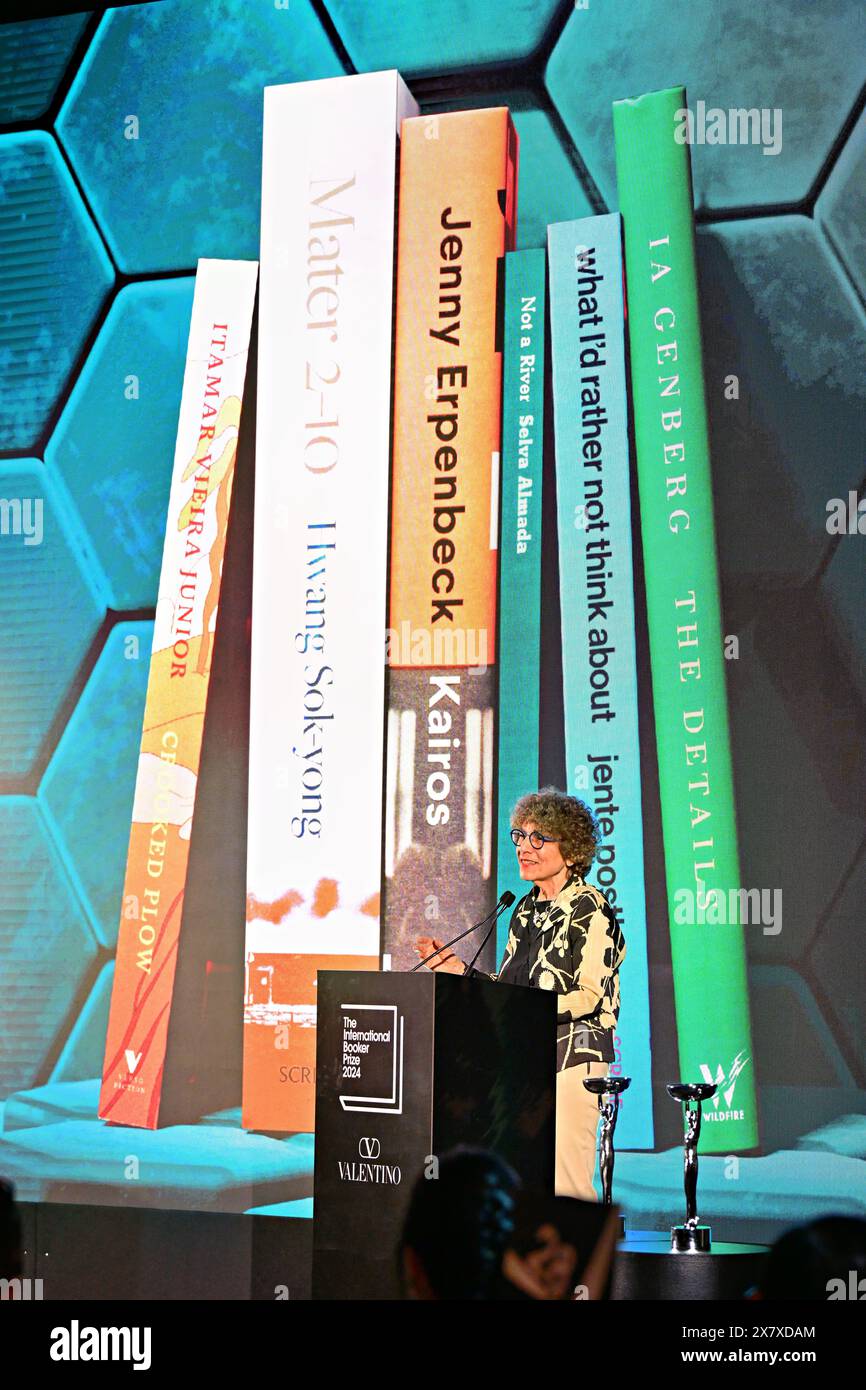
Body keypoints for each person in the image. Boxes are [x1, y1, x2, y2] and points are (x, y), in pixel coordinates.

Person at [414, 787, 625, 1202]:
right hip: (521, 1062)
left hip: (571, 1059)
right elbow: (511, 991)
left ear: (572, 848)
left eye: (538, 838)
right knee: (519, 1180)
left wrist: (525, 1011)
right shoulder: (524, 909)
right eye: (519, 836)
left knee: (566, 1188)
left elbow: (588, 998)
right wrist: (461, 971)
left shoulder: (591, 909)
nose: (524, 848)